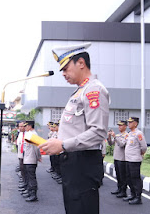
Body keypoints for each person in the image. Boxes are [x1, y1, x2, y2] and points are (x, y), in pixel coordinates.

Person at [39, 42, 109, 214]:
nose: (63, 73)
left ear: (81, 63)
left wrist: (62, 145)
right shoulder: (81, 91)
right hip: (74, 162)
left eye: (65, 68)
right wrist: (56, 142)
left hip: (83, 163)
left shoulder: (93, 90)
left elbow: (98, 131)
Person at [123, 117, 147, 205]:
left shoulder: (138, 133)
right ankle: (132, 194)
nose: (129, 124)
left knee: (135, 178)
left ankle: (138, 197)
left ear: (135, 123)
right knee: (129, 178)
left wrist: (140, 154)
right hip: (128, 159)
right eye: (128, 122)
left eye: (131, 122)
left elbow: (144, 147)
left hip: (135, 160)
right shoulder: (129, 134)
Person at [107, 120, 128, 198]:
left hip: (122, 158)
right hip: (116, 157)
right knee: (118, 175)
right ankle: (119, 189)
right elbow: (110, 143)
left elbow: (122, 144)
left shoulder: (126, 135)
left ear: (125, 126)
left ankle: (123, 191)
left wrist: (115, 136)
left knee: (123, 176)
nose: (119, 127)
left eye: (121, 125)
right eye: (119, 125)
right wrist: (109, 136)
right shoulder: (118, 135)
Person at [22, 120, 41, 202]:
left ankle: (33, 195)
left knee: (31, 177)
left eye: (26, 126)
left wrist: (38, 157)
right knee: (29, 177)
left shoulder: (34, 135)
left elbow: (37, 148)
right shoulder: (29, 134)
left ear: (30, 126)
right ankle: (30, 192)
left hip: (31, 159)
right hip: (27, 159)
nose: (25, 127)